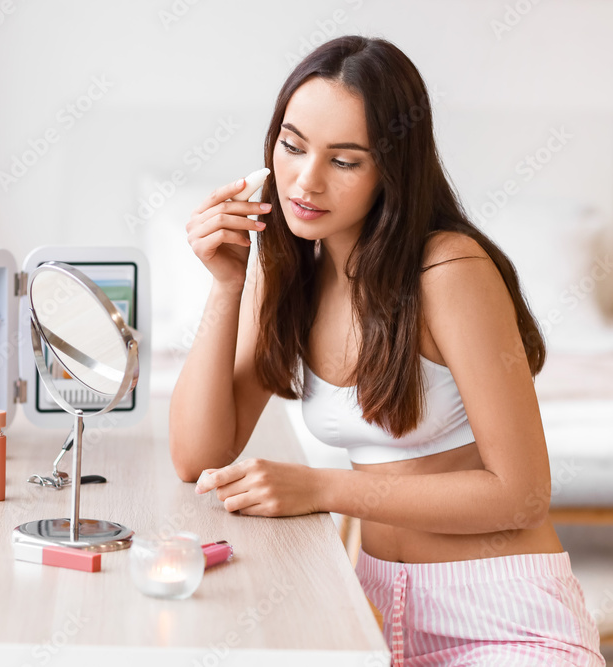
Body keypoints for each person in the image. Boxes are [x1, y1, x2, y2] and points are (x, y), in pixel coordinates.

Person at [169, 35, 604, 666]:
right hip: (372, 617)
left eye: (344, 161)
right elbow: (197, 455)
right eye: (291, 146)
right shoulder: (291, 269)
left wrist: (320, 488)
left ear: (391, 170)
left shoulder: (448, 270)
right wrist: (227, 285)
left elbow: (522, 492)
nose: (305, 181)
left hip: (504, 623)